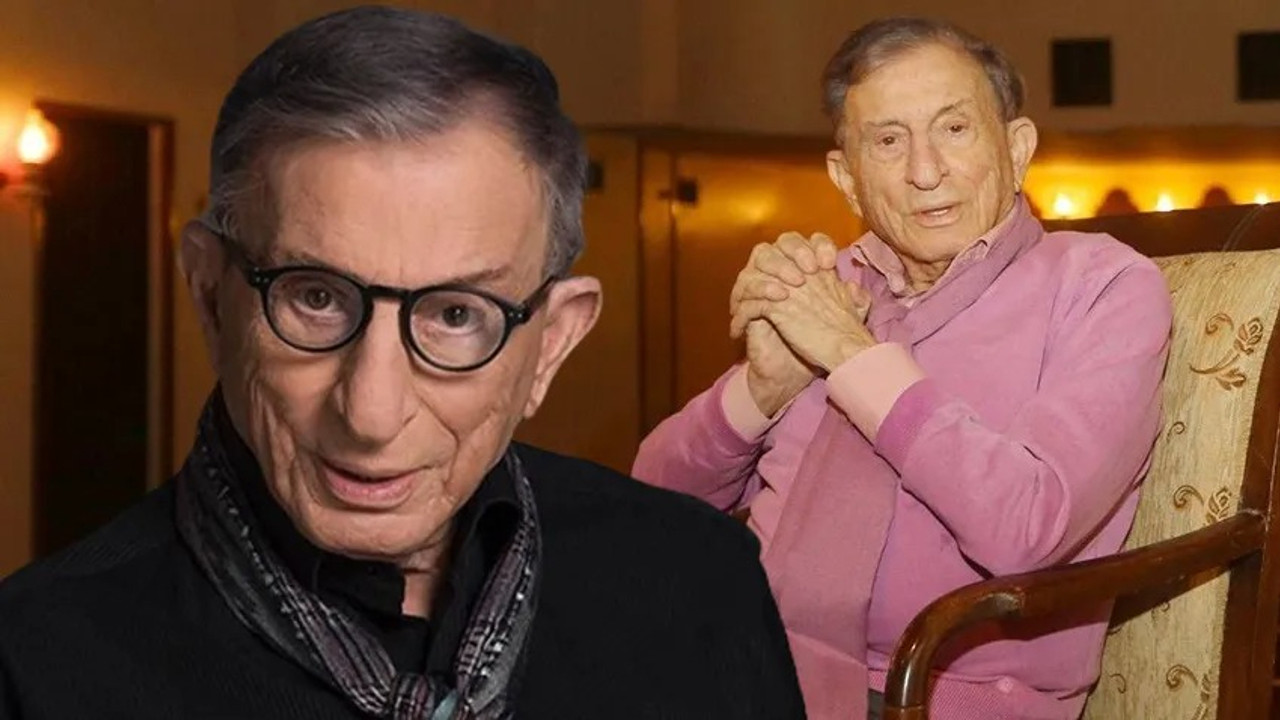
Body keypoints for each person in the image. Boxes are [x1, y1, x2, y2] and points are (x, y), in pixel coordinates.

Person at [0, 7, 805, 719]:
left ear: (552, 344)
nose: (372, 414)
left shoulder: (699, 584)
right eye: (317, 298)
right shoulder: (34, 660)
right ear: (211, 297)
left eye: (456, 315)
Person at [633, 16, 1172, 720]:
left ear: (1016, 148)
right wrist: (763, 388)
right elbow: (649, 507)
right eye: (888, 141)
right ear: (847, 179)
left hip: (929, 695)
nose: (925, 172)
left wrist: (850, 356)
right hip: (742, 665)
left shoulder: (1101, 286)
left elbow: (1026, 528)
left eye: (955, 129)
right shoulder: (829, 286)